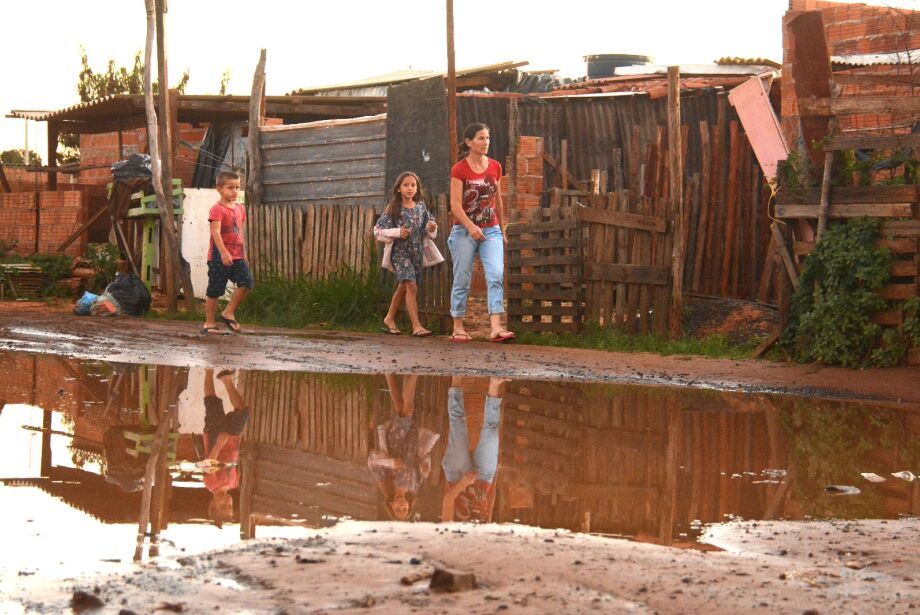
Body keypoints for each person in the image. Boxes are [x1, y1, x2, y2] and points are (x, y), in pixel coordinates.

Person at [448, 123, 514, 343]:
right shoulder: (459, 169)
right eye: (480, 138)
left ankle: (496, 327)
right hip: (464, 231)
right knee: (462, 279)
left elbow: (499, 201)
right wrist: (471, 226)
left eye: (487, 138)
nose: (485, 142)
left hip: (491, 231)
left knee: (495, 275)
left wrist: (502, 229)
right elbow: (455, 205)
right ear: (469, 142)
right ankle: (458, 326)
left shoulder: (495, 166)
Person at [374, 171, 443, 337]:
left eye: (413, 185)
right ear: (398, 188)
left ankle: (389, 318)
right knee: (411, 286)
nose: (410, 188)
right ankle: (416, 326)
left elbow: (429, 225)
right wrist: (398, 232)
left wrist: (431, 227)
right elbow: (377, 231)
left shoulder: (421, 207)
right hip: (400, 254)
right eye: (406, 185)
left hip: (416, 253)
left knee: (404, 287)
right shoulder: (393, 208)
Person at [367, 373, 440, 520]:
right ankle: (389, 374)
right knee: (401, 406)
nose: (401, 506)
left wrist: (392, 463)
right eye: (405, 509)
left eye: (398, 510)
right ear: (409, 505)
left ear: (391, 504)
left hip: (396, 441)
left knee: (408, 409)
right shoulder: (414, 487)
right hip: (411, 442)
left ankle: (414, 372)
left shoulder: (385, 483)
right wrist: (426, 467)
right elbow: (423, 462)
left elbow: (372, 461)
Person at [441, 376, 508, 523]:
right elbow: (490, 503)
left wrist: (463, 482)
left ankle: (457, 378)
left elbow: (447, 501)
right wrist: (494, 474)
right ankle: (494, 384)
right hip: (483, 479)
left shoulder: (449, 535)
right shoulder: (483, 538)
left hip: (457, 477)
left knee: (458, 424)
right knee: (491, 434)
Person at [201, 171, 253, 335]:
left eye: (237, 188)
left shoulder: (239, 208)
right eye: (230, 188)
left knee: (246, 282)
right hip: (219, 257)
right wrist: (223, 252)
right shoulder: (217, 209)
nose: (235, 191)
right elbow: (215, 232)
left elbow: (239, 233)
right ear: (219, 189)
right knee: (215, 290)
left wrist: (244, 254)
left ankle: (228, 312)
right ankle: (209, 323)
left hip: (237, 256)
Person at [201, 367, 250, 528]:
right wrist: (237, 442)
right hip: (232, 439)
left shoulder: (211, 484)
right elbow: (234, 460)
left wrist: (218, 444)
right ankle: (226, 380)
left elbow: (210, 461)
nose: (228, 503)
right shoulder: (234, 484)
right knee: (242, 412)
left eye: (223, 506)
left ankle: (208, 370)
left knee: (212, 402)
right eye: (230, 506)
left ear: (212, 504)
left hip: (216, 438)